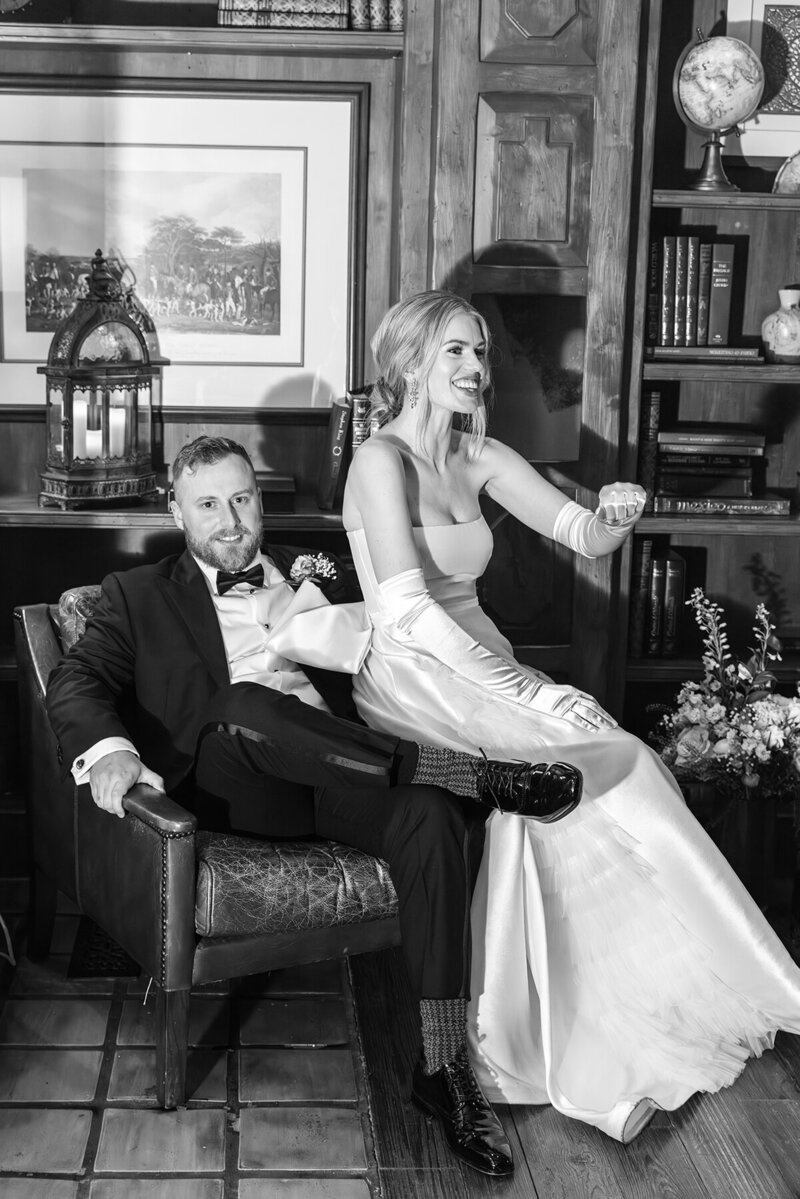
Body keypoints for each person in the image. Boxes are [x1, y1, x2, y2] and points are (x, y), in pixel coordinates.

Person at [46, 433, 587, 1179]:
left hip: (340, 773)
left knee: (429, 817)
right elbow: (75, 682)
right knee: (244, 703)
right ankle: (473, 776)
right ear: (177, 510)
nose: (230, 520)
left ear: (259, 501)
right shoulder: (134, 594)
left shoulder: (318, 574)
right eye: (209, 504)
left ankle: (441, 1067)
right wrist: (110, 750)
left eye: (242, 499)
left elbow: (403, 645)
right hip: (232, 784)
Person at [341, 290, 800, 1150]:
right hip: (412, 675)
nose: (476, 366)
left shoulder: (480, 454)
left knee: (619, 760)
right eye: (456, 351)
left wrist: (615, 517)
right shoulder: (379, 459)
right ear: (409, 361)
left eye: (480, 350)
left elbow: (582, 534)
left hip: (485, 663)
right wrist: (533, 694)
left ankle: (670, 986)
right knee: (553, 776)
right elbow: (406, 613)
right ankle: (531, 1037)